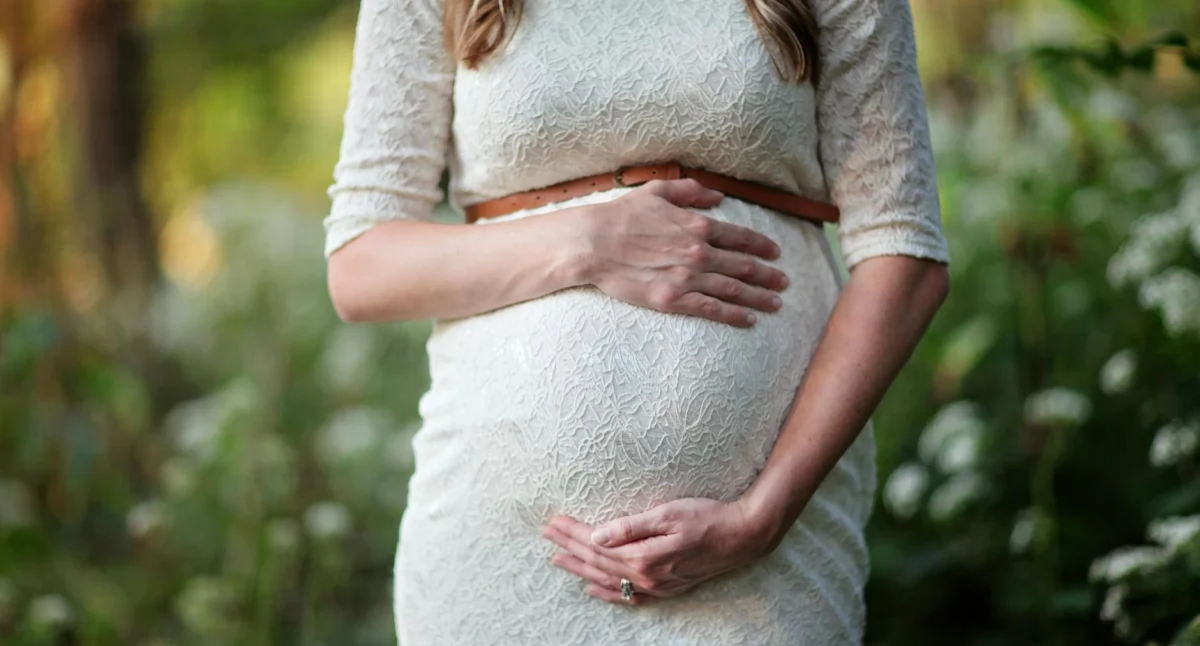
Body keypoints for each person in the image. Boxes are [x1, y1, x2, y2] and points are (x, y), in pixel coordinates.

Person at [323, 0, 950, 643]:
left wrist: (762, 517)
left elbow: (903, 252)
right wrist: (590, 241)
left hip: (762, 564)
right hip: (496, 554)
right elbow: (361, 266)